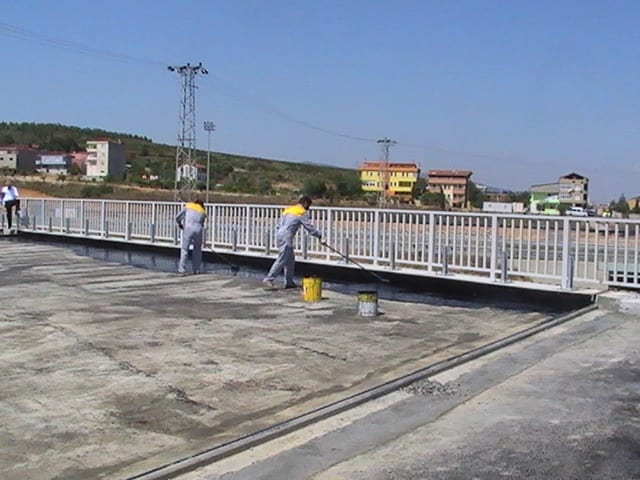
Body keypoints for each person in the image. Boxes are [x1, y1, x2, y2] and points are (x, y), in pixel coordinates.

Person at [263, 195, 322, 289]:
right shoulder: (301, 212)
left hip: (279, 233)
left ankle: (289, 282)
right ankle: (269, 279)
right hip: (286, 236)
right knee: (282, 258)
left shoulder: (288, 209)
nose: (308, 208)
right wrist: (319, 235)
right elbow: (309, 227)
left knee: (290, 260)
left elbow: (278, 224)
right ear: (305, 203)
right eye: (308, 205)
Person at [175, 198, 207, 275]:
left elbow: (178, 217)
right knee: (197, 250)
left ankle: (182, 270)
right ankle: (196, 269)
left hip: (188, 229)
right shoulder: (202, 211)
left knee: (185, 249)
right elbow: (202, 223)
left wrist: (179, 223)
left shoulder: (188, 206)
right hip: (198, 230)